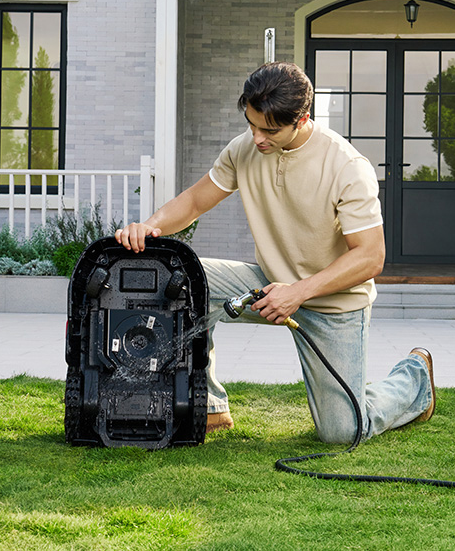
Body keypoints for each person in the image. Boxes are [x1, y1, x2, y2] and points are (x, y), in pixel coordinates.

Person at [115, 62, 434, 444]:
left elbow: (370, 257)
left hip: (334, 304)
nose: (257, 138)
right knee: (182, 278)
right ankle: (210, 405)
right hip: (267, 284)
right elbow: (195, 200)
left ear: (302, 119)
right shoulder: (244, 149)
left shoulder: (347, 167)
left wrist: (298, 293)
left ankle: (414, 378)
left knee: (341, 432)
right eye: (251, 125)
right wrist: (149, 227)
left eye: (269, 130)